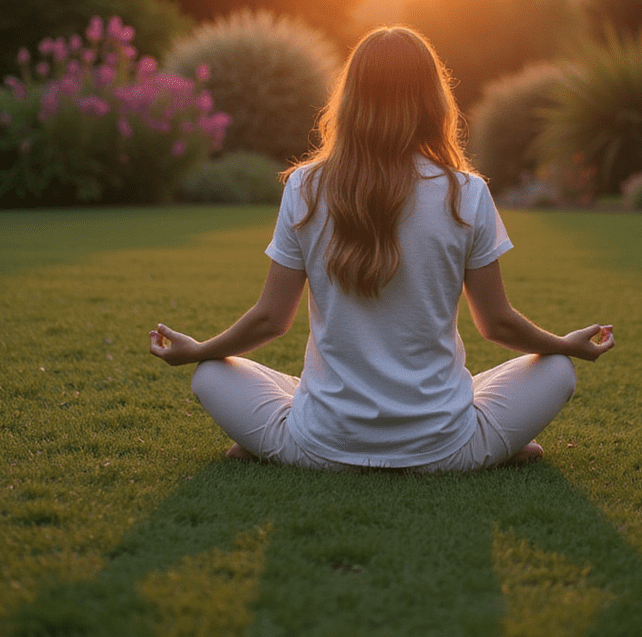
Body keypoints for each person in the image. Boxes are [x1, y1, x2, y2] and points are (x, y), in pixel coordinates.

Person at [149, 26, 614, 471]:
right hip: (441, 447)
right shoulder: (465, 192)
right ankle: (489, 446)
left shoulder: (306, 187)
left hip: (324, 445)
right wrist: (563, 345)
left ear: (349, 98)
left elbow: (271, 319)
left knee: (211, 374)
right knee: (556, 369)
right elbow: (496, 324)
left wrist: (199, 351)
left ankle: (278, 442)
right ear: (433, 100)